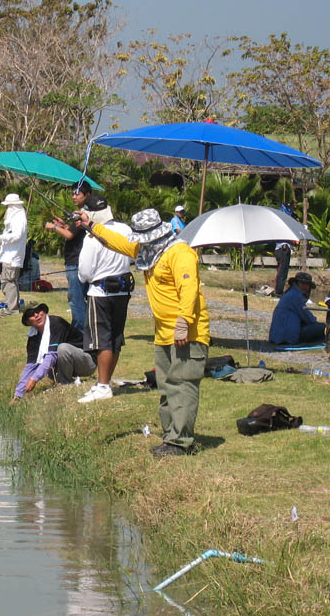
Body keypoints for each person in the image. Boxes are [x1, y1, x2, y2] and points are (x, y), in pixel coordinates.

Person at [77, 207, 209, 458]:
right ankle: (170, 437)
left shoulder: (180, 253)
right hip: (164, 333)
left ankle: (180, 442)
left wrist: (184, 321)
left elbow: (189, 288)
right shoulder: (150, 252)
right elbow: (117, 242)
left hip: (187, 332)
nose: (141, 244)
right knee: (167, 385)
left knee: (182, 385)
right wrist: (91, 224)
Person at [76, 195, 134, 404]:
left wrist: (86, 279)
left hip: (100, 293)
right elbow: (133, 255)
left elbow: (85, 272)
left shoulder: (91, 237)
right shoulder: (126, 229)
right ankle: (104, 382)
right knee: (116, 337)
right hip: (123, 290)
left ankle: (102, 385)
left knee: (102, 341)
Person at [10, 303, 95, 404]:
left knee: (62, 349)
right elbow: (31, 365)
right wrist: (18, 394)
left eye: (38, 311)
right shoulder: (33, 336)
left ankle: (64, 382)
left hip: (87, 362)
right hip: (69, 364)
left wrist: (34, 379)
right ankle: (63, 380)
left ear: (44, 312)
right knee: (47, 367)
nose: (37, 315)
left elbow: (52, 356)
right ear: (28, 322)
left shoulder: (56, 323)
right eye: (32, 314)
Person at [45, 183, 91, 332]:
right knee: (80, 298)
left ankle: (80, 333)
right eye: (72, 193)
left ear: (87, 195)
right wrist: (64, 225)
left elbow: (70, 235)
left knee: (76, 299)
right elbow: (73, 231)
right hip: (78, 260)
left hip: (76, 261)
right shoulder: (82, 213)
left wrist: (53, 227)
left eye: (77, 194)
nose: (73, 196)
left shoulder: (83, 214)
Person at [0, 193, 27, 316]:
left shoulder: (19, 218)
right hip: (8, 255)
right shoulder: (15, 217)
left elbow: (16, 236)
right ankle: (12, 304)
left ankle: (12, 309)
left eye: (8, 206)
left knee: (9, 282)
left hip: (13, 256)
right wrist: (0, 240)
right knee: (8, 282)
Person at [268, 272, 326, 346]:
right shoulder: (295, 296)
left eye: (307, 284)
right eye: (302, 283)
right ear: (297, 283)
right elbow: (308, 318)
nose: (305, 286)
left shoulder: (290, 293)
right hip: (286, 337)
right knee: (322, 327)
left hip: (276, 336)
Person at [273, 204, 297, 297]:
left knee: (284, 271)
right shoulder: (282, 221)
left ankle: (280, 290)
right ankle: (278, 292)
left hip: (285, 248)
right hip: (282, 248)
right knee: (281, 271)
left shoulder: (285, 220)